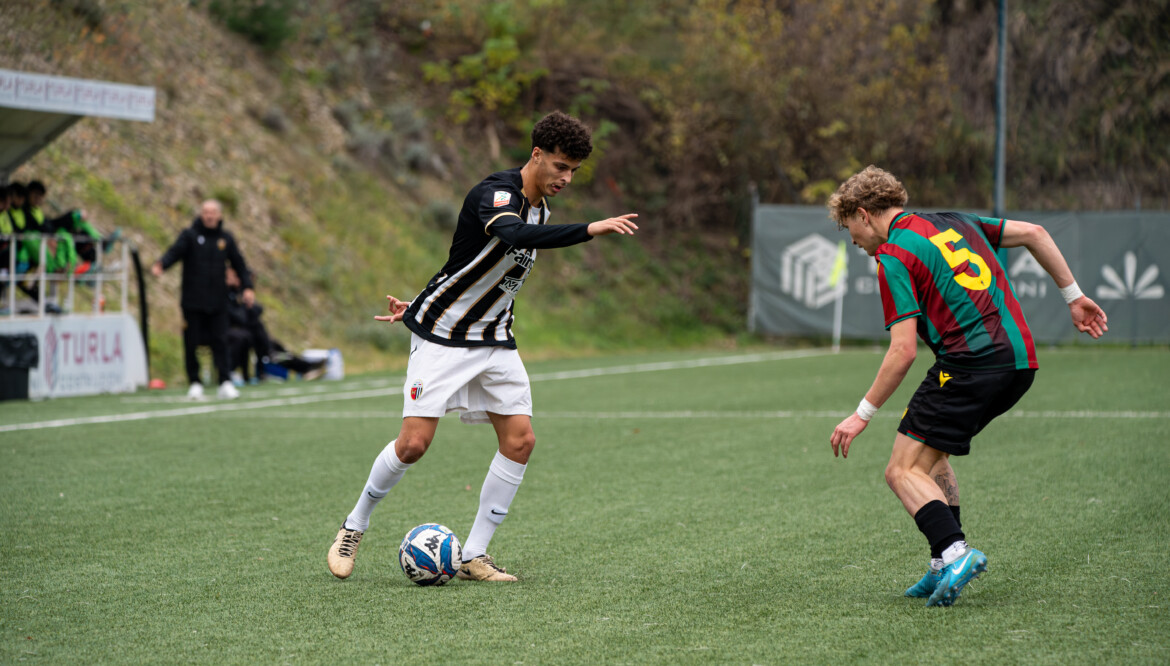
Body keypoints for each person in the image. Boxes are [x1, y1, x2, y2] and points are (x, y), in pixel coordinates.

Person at [327, 111, 638, 582]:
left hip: (494, 338)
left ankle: (474, 554)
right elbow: (513, 235)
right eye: (559, 166)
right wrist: (589, 229)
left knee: (521, 440)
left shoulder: (541, 207)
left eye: (573, 170)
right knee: (413, 445)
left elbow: (484, 272)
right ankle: (353, 527)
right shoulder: (496, 195)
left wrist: (424, 299)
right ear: (536, 155)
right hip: (443, 336)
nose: (566, 178)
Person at [826, 166, 1108, 607]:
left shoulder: (894, 256)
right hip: (1019, 362)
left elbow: (901, 352)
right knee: (930, 454)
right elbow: (1035, 232)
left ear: (864, 214)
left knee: (900, 470)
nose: (854, 242)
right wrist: (1074, 297)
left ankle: (956, 552)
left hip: (970, 364)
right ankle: (942, 560)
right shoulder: (955, 222)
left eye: (850, 230)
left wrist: (860, 415)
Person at [152, 200, 255, 401]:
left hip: (218, 302)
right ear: (201, 214)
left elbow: (240, 264)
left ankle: (225, 381)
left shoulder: (225, 239)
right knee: (191, 343)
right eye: (206, 212)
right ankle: (195, 382)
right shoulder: (190, 236)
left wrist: (247, 287)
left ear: (219, 215)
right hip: (192, 301)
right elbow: (175, 252)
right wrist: (161, 265)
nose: (209, 216)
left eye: (213, 212)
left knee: (221, 341)